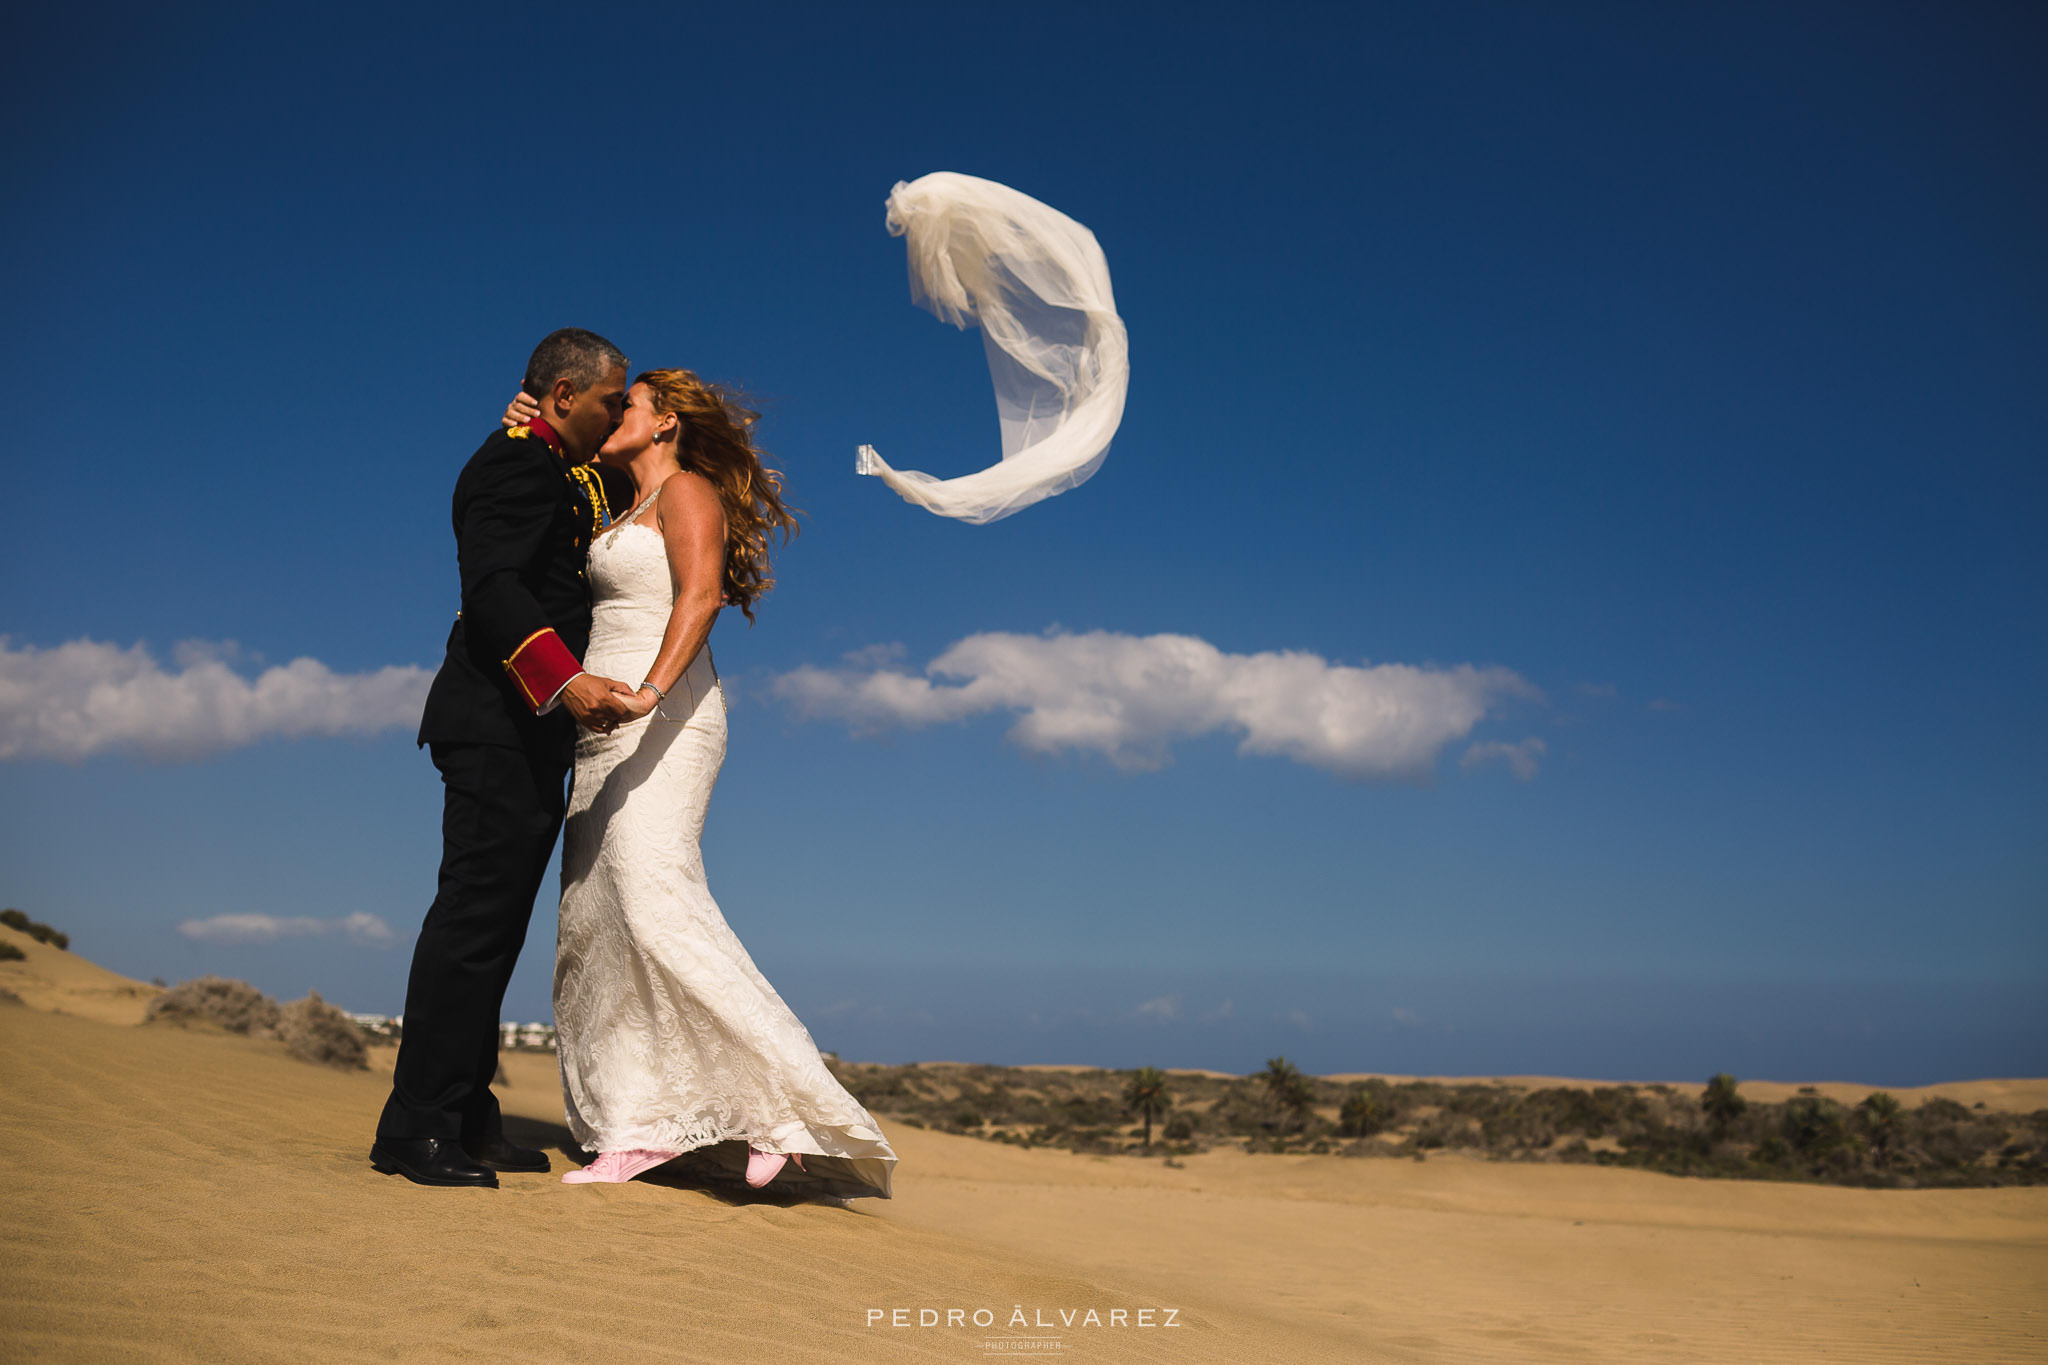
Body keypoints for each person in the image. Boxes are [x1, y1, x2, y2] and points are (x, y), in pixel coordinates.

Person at [503, 370, 897, 1198]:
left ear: (665, 421)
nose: (614, 414)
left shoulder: (686, 490)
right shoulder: (614, 500)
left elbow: (703, 594)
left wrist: (648, 690)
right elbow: (554, 457)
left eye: (629, 404)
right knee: (595, 921)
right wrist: (523, 420)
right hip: (602, 726)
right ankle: (633, 1126)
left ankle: (780, 1111)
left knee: (653, 900)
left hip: (668, 716)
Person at [371, 328, 641, 1189]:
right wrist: (564, 685)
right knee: (471, 923)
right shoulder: (512, 464)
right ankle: (414, 1128)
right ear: (565, 394)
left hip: (522, 729)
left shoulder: (559, 468)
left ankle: (464, 1112)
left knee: (495, 929)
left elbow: (609, 490)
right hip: (495, 719)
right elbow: (492, 590)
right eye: (608, 400)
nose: (616, 415)